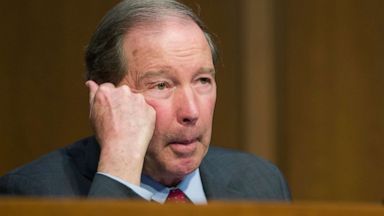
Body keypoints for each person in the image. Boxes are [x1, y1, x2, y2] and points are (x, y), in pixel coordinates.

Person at [0, 0, 291, 204]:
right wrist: (118, 172)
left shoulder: (261, 181)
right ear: (107, 97)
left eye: (203, 80)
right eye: (161, 85)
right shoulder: (32, 193)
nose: (191, 112)